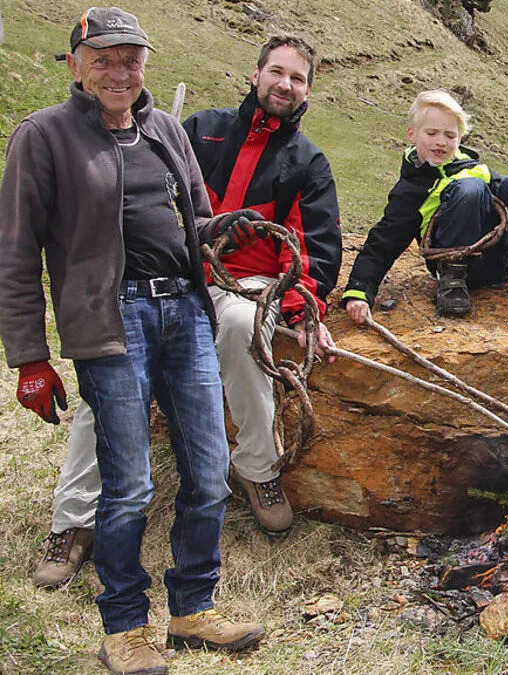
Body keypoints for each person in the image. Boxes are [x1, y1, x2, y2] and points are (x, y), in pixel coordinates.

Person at [0, 8, 265, 673]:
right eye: (104, 58)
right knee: (129, 485)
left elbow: (197, 221)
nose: (120, 72)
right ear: (75, 65)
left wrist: (223, 231)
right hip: (110, 322)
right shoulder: (44, 136)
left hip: (185, 313)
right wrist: (29, 356)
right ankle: (124, 624)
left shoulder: (165, 129)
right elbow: (15, 252)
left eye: (132, 59)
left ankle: (192, 607)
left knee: (207, 470)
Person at [30, 34, 343, 590]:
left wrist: (299, 306)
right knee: (110, 370)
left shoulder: (308, 161)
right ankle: (74, 521)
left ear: (308, 90)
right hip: (170, 275)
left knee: (244, 330)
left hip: (245, 283)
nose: (284, 84)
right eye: (276, 72)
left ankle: (256, 469)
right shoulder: (197, 129)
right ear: (255, 74)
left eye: (296, 78)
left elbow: (314, 248)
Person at [341, 89, 508, 320]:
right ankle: (452, 280)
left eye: (450, 135)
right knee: (470, 188)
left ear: (460, 139)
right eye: (431, 133)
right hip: (457, 272)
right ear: (412, 135)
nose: (441, 142)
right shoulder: (411, 191)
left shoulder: (475, 167)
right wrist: (359, 291)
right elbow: (383, 242)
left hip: (503, 262)